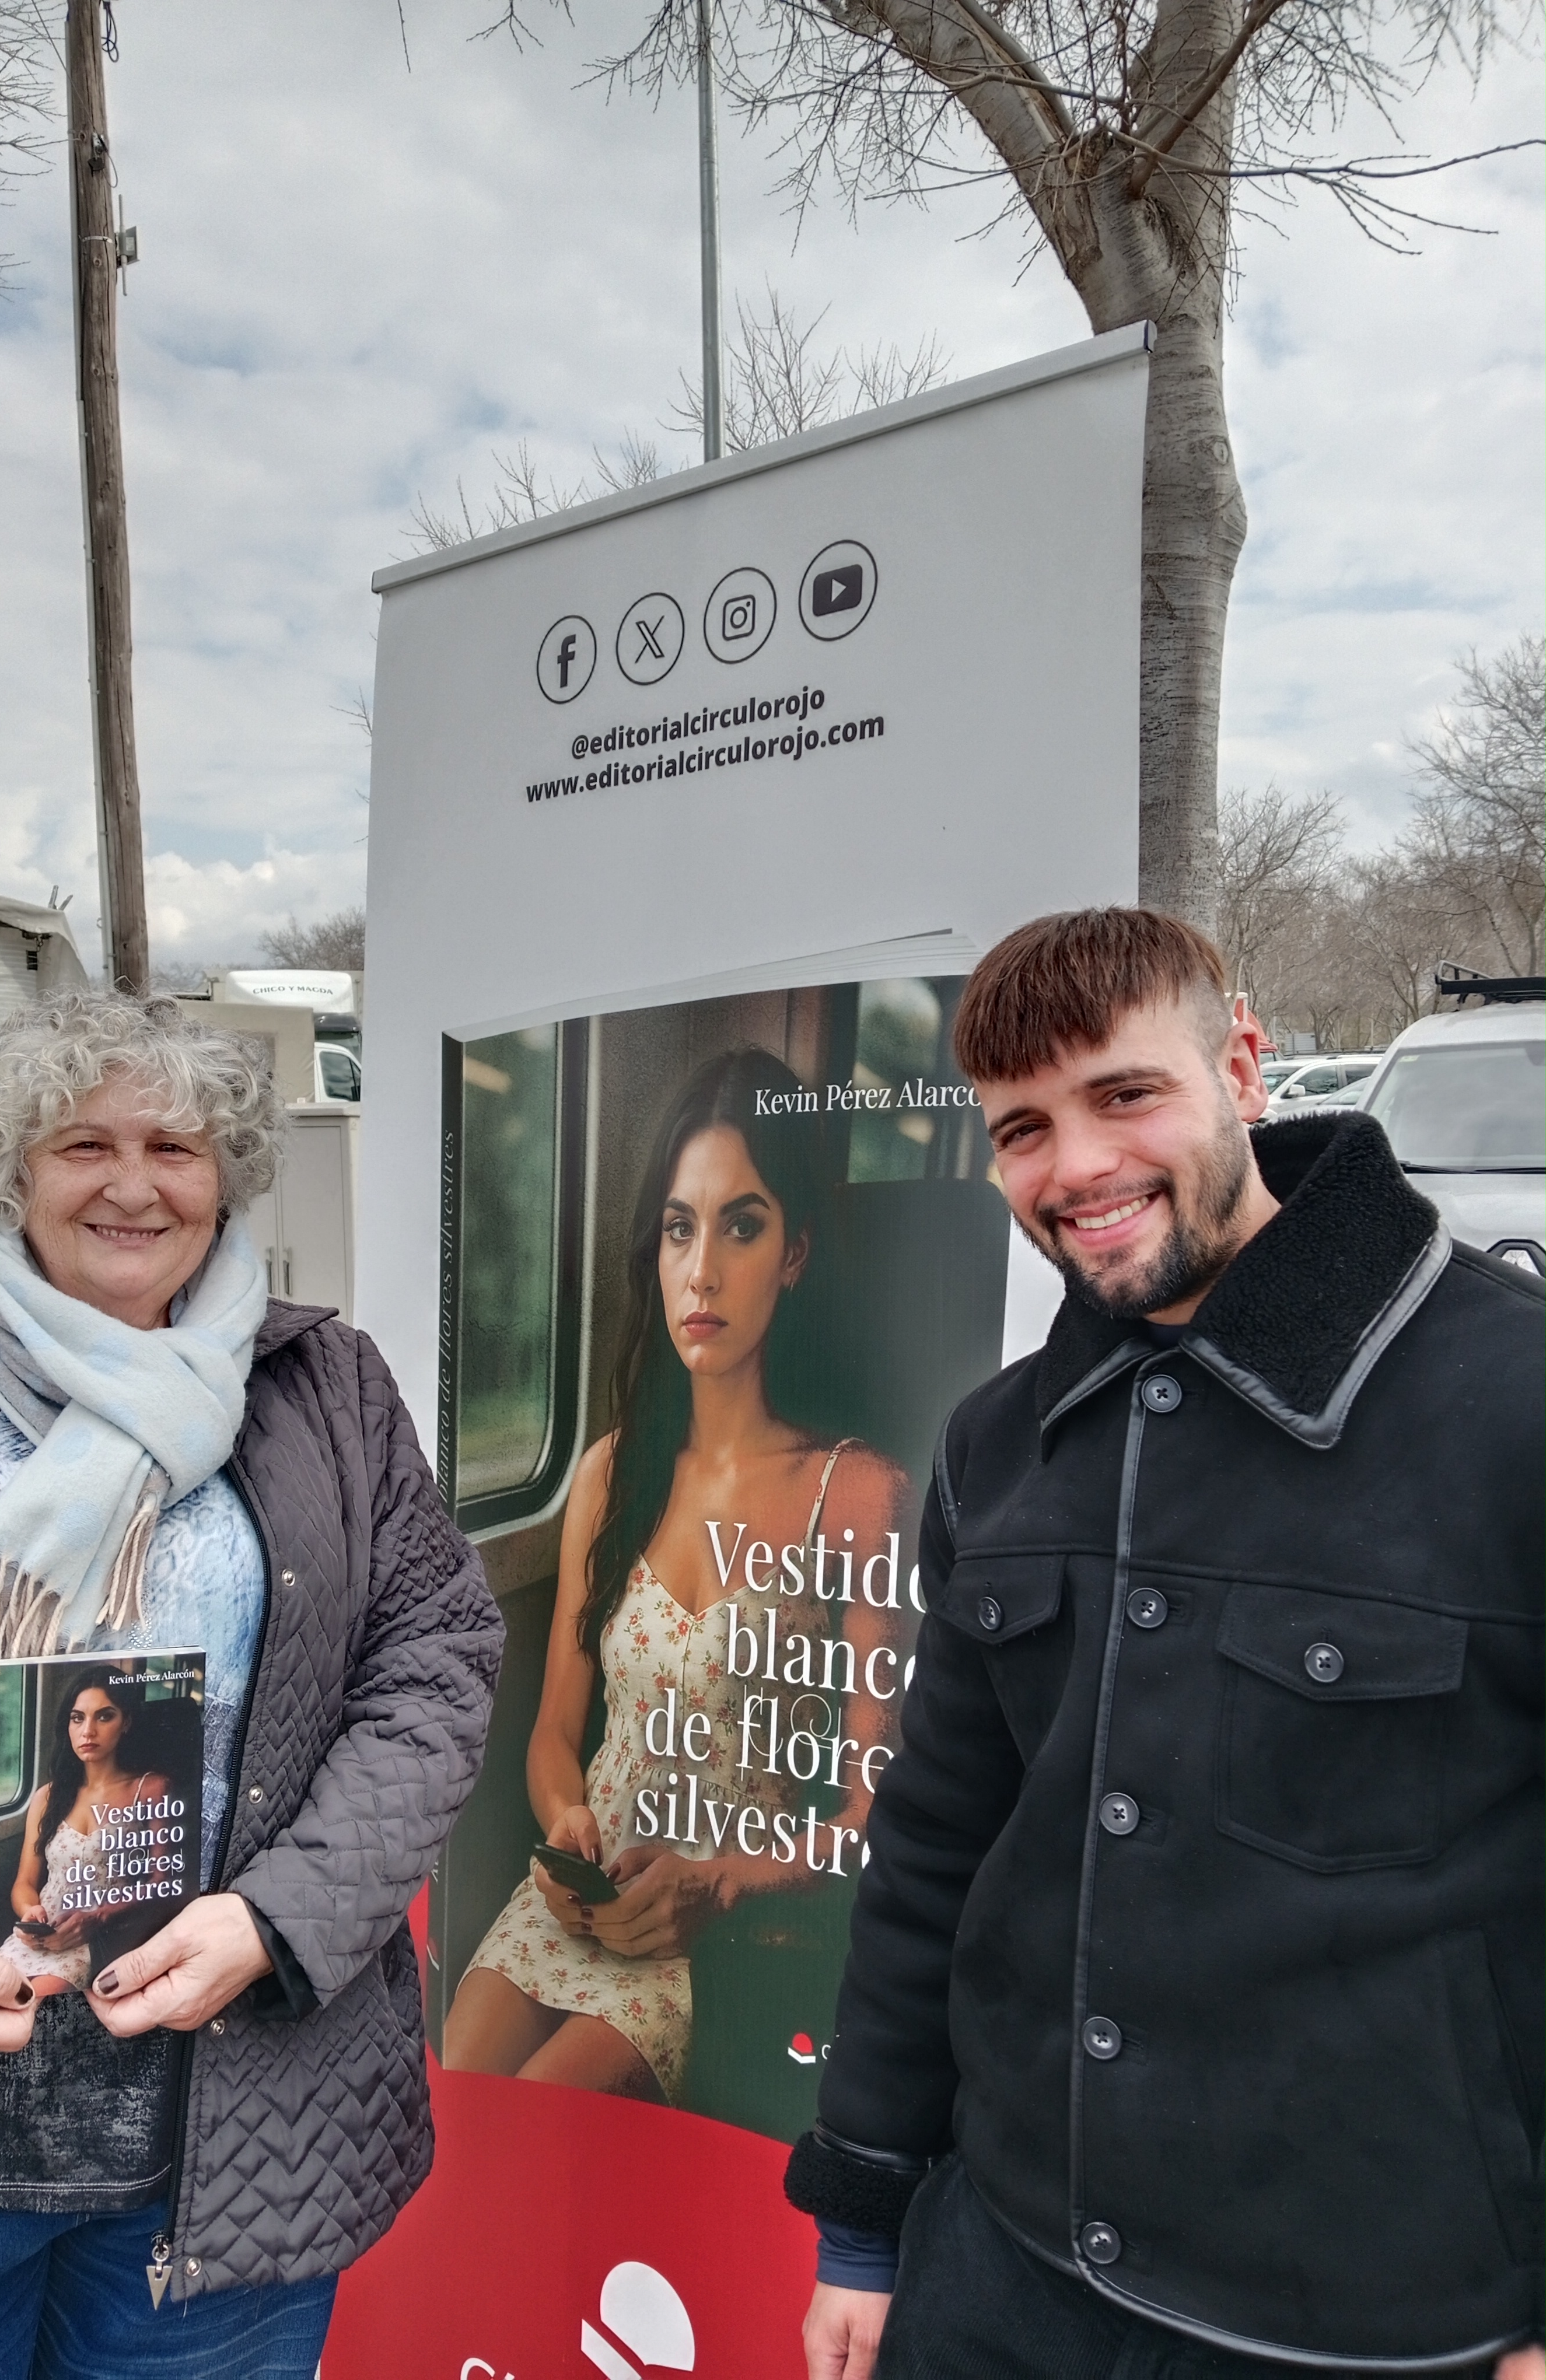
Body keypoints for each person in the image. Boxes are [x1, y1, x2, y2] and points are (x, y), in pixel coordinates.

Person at [787, 909, 1546, 2379]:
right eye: (1022, 1127)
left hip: (1383, 2320)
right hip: (1000, 2273)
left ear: (1243, 1065)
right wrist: (866, 2222)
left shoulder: (1512, 1405)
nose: (1074, 1167)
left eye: (1123, 1094)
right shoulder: (994, 1448)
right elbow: (934, 1851)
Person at [0, 988, 503, 2378]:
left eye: (175, 1143)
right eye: (81, 1142)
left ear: (224, 1169)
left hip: (221, 2142)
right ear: (10, 1165)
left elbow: (436, 1663)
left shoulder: (325, 1384)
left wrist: (279, 1918)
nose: (133, 1182)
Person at [443, 1047, 908, 2104]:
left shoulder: (860, 1494)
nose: (702, 1271)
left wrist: (729, 1881)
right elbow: (559, 1738)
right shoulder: (610, 1473)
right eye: (679, 1227)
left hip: (709, 1933)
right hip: (574, 1896)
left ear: (793, 1253)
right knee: (456, 2096)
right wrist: (566, 1827)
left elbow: (876, 1798)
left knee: (550, 2117)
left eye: (742, 1225)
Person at [0, 1670, 170, 1995]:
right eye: (78, 1718)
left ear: (126, 1723)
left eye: (104, 1716)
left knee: (37, 2002)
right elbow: (24, 1884)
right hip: (39, 1936)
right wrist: (30, 1913)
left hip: (97, 1938)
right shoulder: (47, 1796)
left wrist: (99, 1918)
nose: (88, 1731)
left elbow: (161, 1883)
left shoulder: (149, 1789)